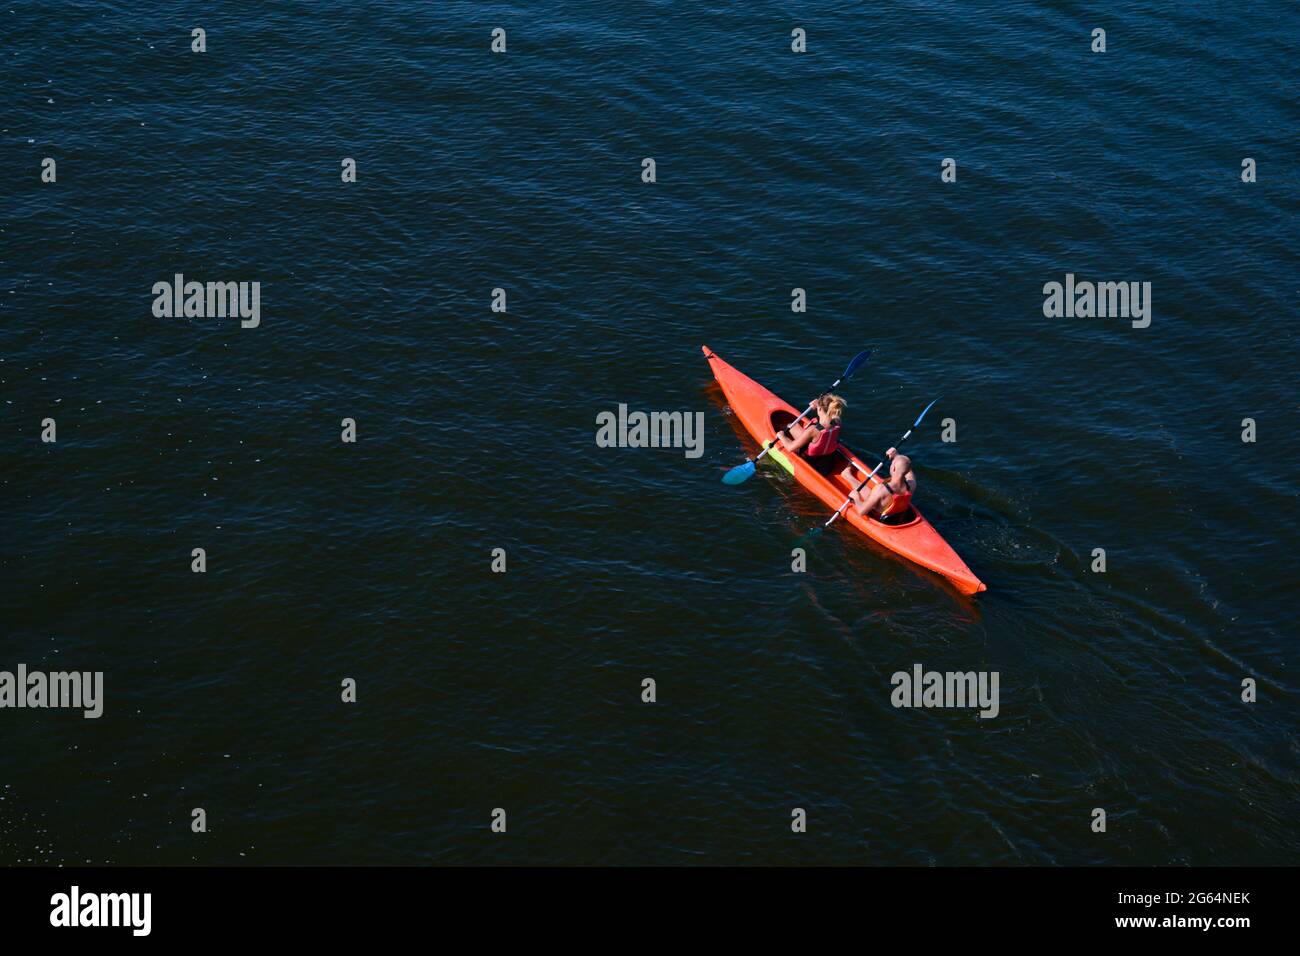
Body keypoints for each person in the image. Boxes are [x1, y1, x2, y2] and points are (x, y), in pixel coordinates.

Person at [840, 447, 915, 519]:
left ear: (893, 468)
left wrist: (856, 498)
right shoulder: (912, 484)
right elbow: (908, 470)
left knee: (862, 491)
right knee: (872, 493)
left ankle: (846, 474)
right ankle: (847, 474)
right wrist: (897, 456)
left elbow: (861, 511)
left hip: (877, 515)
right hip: (895, 514)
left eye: (892, 464)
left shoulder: (881, 489)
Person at [777, 394, 845, 457]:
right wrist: (818, 404)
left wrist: (782, 436)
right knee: (794, 426)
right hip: (825, 456)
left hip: (809, 457)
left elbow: (790, 448)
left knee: (790, 426)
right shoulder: (837, 422)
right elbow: (829, 412)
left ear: (820, 409)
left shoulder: (813, 430)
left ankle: (776, 428)